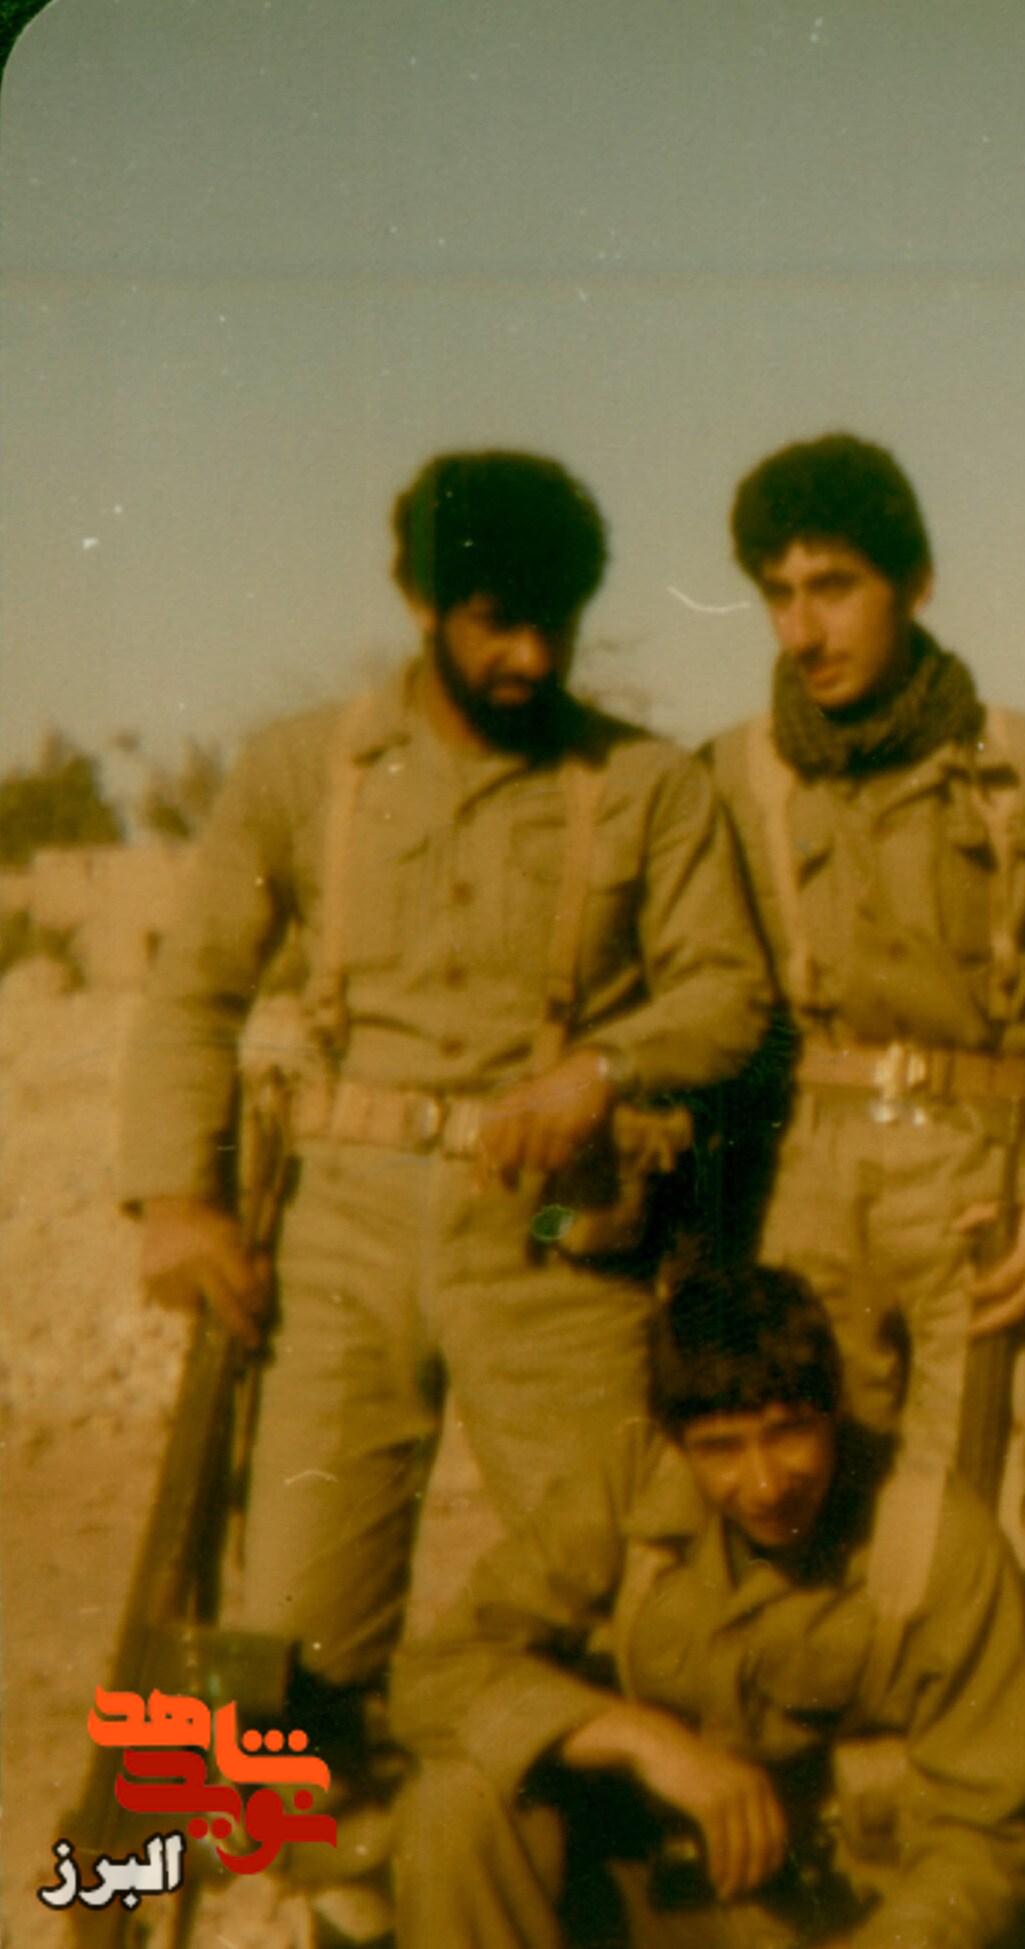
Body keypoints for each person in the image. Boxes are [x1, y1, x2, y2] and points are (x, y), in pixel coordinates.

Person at [120, 452, 770, 1796]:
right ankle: (333, 1884)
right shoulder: (303, 768)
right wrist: (177, 1202)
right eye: (496, 623)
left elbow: (728, 994)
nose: (531, 657)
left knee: (629, 1589)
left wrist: (603, 1069)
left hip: (553, 1225)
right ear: (420, 604)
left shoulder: (646, 784)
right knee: (288, 1641)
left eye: (556, 624)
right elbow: (195, 991)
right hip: (338, 1231)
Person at [703, 433, 1025, 1572]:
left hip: (984, 1186)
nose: (803, 630)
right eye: (779, 595)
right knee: (810, 1519)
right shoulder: (734, 779)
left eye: (834, 587)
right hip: (804, 1191)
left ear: (916, 582)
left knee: (1011, 1537)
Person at [390, 1263, 1025, 1947]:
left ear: (835, 1409)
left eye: (789, 1432)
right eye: (721, 1449)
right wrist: (644, 1740)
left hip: (843, 1918)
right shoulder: (633, 1479)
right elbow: (433, 1675)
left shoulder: (937, 1537)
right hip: (663, 1895)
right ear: (677, 1443)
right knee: (458, 1804)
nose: (764, 1485)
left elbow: (989, 1834)